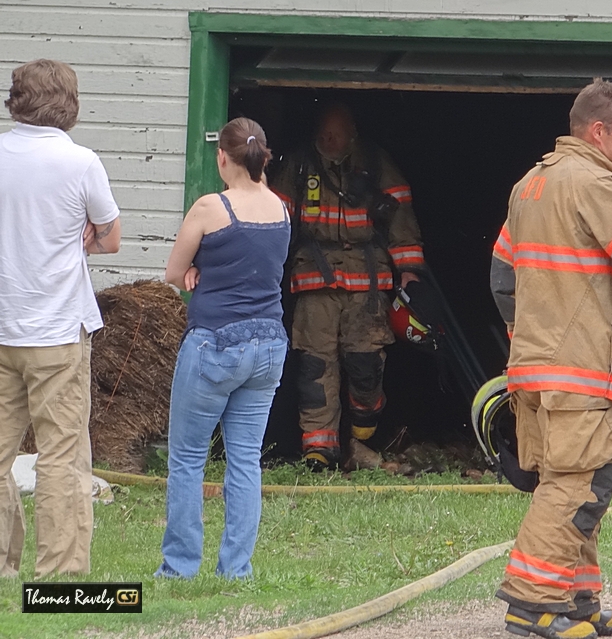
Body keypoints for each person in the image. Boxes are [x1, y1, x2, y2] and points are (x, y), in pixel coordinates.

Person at [490, 79, 612, 639]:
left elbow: (503, 280)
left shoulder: (531, 184)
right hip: (581, 370)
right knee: (576, 485)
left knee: (582, 482)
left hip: (534, 370)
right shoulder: (592, 182)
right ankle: (532, 603)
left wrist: (532, 334)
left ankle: (577, 598)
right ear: (598, 132)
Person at [0, 59, 121, 578]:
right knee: (61, 459)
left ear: (15, 100)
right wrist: (85, 234)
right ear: (69, 105)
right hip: (57, 333)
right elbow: (111, 238)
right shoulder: (81, 162)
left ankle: (4, 566)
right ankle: (59, 581)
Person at [156, 118, 290, 579]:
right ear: (262, 157)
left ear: (222, 157)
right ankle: (236, 569)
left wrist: (195, 273)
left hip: (215, 342)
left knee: (190, 458)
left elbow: (174, 274)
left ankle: (179, 567)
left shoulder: (210, 207)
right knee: (245, 458)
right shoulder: (281, 209)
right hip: (270, 344)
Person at [272, 102, 425, 470]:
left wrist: (409, 270)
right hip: (314, 280)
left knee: (366, 365)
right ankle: (319, 451)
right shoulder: (298, 166)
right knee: (314, 366)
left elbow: (401, 215)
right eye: (324, 133)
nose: (329, 139)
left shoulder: (375, 163)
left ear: (352, 134)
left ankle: (364, 434)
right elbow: (273, 218)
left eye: (336, 133)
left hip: (367, 282)